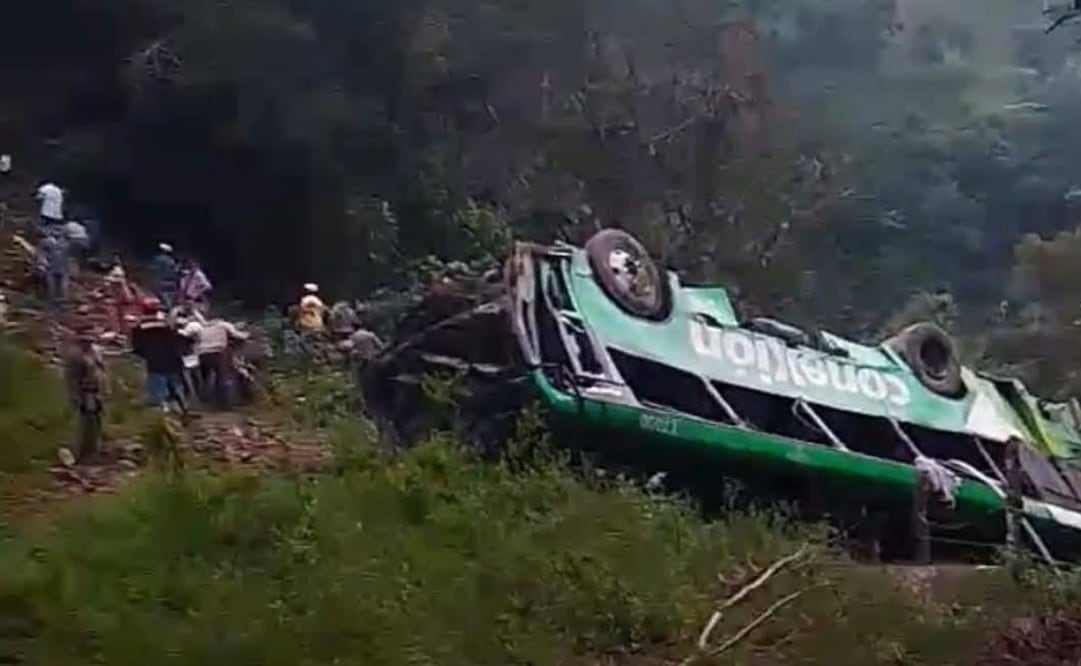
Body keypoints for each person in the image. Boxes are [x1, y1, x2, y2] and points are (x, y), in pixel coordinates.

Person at [130, 297, 189, 416]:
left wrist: (145, 355)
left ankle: (164, 417)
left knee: (158, 393)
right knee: (177, 388)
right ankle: (183, 411)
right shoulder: (167, 323)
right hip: (172, 361)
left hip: (154, 364)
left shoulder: (139, 327)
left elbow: (137, 347)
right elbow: (178, 339)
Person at [62, 327, 108, 462]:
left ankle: (95, 449)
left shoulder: (96, 352)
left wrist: (105, 389)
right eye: (85, 339)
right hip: (85, 392)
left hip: (97, 390)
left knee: (97, 421)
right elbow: (71, 378)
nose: (88, 342)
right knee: (86, 422)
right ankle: (84, 452)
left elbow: (102, 370)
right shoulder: (75, 356)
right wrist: (75, 395)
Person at [195, 317, 249, 409]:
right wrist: (247, 335)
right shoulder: (224, 324)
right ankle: (224, 403)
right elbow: (237, 335)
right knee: (223, 377)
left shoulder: (203, 327)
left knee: (206, 377)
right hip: (218, 352)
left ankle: (204, 400)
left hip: (202, 354)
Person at [37, 226, 70, 312]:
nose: (57, 232)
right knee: (51, 287)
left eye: (59, 230)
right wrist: (41, 264)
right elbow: (41, 254)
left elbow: (69, 257)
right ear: (51, 231)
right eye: (55, 230)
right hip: (50, 267)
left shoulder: (66, 242)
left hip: (63, 268)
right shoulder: (46, 242)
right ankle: (51, 306)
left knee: (63, 288)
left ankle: (62, 306)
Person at [105, 256, 135, 335]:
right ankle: (120, 331)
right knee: (118, 316)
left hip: (118, 297)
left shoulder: (117, 272)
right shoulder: (117, 272)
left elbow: (116, 281)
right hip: (118, 297)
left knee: (117, 316)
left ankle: (120, 331)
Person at [152, 243, 179, 309]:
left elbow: (155, 269)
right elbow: (176, 271)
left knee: (162, 299)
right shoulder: (172, 261)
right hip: (172, 282)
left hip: (161, 282)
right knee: (171, 300)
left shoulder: (157, 259)